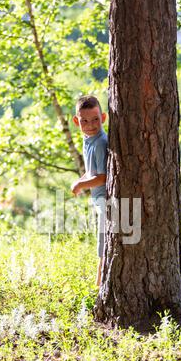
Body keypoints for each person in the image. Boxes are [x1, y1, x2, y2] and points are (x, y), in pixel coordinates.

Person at [71, 95, 107, 287]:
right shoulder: (88, 140)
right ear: (77, 121)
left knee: (104, 244)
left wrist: (80, 185)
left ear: (103, 118)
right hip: (98, 198)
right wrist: (81, 179)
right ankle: (99, 285)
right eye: (84, 121)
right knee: (103, 241)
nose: (91, 125)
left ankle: (99, 286)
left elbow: (103, 177)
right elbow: (91, 172)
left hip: (106, 200)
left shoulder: (101, 143)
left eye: (95, 120)